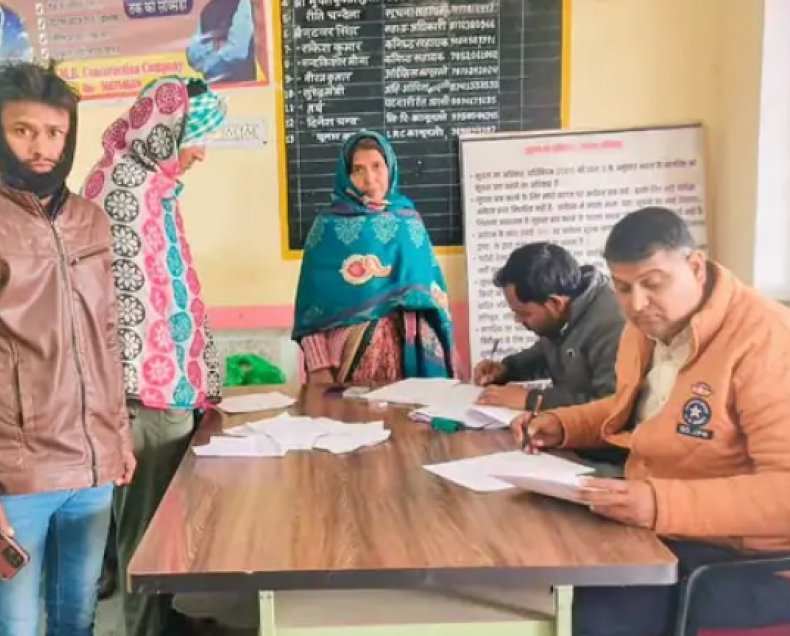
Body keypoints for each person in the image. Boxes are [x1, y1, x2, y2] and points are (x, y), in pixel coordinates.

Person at [0, 61, 134, 636]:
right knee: (14, 627)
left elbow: (106, 337)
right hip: (13, 482)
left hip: (90, 471)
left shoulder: (92, 221)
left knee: (79, 618)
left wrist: (118, 435)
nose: (40, 147)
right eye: (23, 130)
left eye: (54, 132)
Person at [513, 207, 790, 635]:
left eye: (653, 284)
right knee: (542, 543)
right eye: (622, 288)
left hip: (752, 562)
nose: (637, 304)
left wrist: (658, 504)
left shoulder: (767, 340)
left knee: (599, 598)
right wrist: (561, 422)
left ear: (695, 266)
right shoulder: (646, 326)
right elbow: (640, 410)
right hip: (664, 526)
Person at [82, 74, 226, 636]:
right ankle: (148, 630)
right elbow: (122, 304)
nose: (199, 155)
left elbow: (169, 293)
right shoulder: (123, 190)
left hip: (163, 387)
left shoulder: (148, 185)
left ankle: (165, 622)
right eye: (195, 138)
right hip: (142, 392)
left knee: (157, 526)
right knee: (144, 532)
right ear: (165, 132)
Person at [293, 130, 456, 384]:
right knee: (347, 423)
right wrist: (319, 367)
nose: (370, 178)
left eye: (377, 166)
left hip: (407, 362)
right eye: (358, 170)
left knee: (405, 422)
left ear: (390, 167)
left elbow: (433, 298)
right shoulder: (327, 228)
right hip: (346, 363)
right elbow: (311, 309)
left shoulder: (409, 223)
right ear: (346, 176)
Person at [474, 242, 624, 411]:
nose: (517, 320)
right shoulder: (566, 309)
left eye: (524, 314)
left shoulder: (612, 325)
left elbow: (611, 407)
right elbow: (548, 351)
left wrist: (532, 400)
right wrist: (507, 369)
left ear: (555, 303)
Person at [187, 0, 257, 84]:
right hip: (213, 89)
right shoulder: (209, 8)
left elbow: (239, 51)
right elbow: (193, 55)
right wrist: (215, 45)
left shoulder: (243, 3)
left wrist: (207, 62)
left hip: (242, 87)